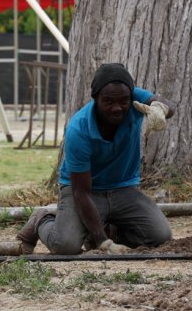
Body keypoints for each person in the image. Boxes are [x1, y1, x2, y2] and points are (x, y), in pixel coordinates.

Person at [16, 63, 175, 255]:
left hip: (123, 188)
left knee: (160, 236)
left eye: (123, 101)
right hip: (86, 192)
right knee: (65, 245)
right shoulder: (79, 129)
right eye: (108, 101)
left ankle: (107, 230)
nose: (117, 108)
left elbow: (168, 105)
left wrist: (159, 108)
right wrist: (103, 243)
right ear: (96, 99)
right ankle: (42, 219)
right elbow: (81, 192)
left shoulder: (135, 99)